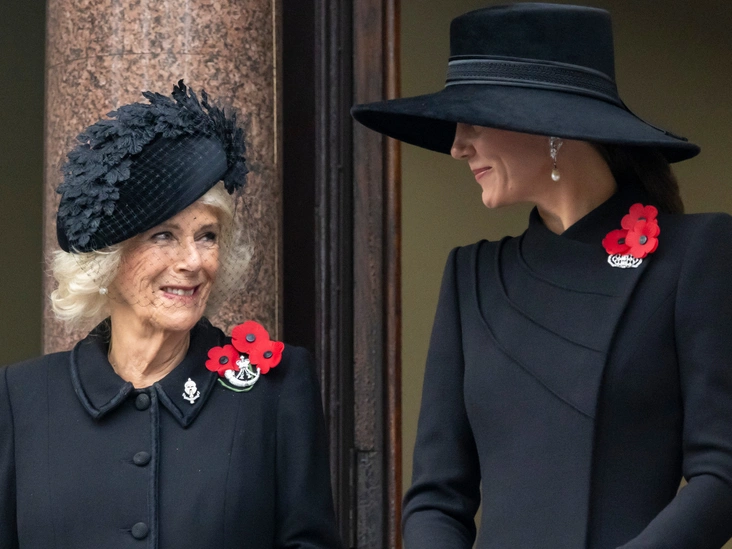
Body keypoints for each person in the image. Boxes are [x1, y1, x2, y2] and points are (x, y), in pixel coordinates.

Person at [352, 3, 732, 549]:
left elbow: (721, 474)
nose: (457, 146)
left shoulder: (693, 255)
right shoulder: (471, 277)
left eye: (474, 119)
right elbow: (437, 498)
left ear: (549, 125)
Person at [0, 81, 342, 549]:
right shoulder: (20, 399)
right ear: (106, 258)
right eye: (163, 235)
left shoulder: (276, 391)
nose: (193, 261)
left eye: (207, 236)